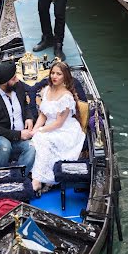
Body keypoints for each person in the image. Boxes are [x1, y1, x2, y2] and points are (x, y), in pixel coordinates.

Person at [30, 61, 86, 193]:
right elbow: (43, 115)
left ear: (65, 77)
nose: (54, 76)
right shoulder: (46, 90)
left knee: (43, 140)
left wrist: (41, 130)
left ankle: (38, 180)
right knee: (35, 139)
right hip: (50, 127)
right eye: (53, 73)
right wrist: (34, 130)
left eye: (58, 74)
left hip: (65, 130)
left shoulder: (67, 97)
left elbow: (59, 123)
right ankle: (37, 178)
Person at [0, 61, 36, 174]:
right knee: (5, 145)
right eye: (14, 78)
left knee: (32, 146)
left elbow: (25, 105)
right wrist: (19, 134)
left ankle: (18, 177)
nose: (18, 80)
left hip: (19, 136)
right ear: (5, 83)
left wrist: (29, 117)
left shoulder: (18, 86)